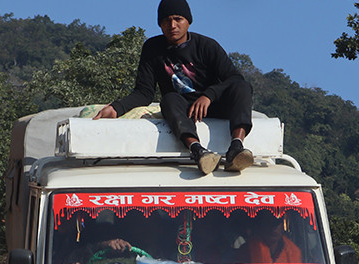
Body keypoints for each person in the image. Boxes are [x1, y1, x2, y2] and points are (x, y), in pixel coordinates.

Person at [92, 0, 255, 175]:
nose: (172, 25)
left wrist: (209, 95)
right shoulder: (152, 48)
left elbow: (234, 78)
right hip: (184, 110)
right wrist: (116, 108)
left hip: (213, 104)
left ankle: (236, 148)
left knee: (243, 87)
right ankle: (198, 151)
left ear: (188, 21)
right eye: (166, 21)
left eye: (178, 19)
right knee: (168, 99)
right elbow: (144, 92)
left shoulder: (207, 46)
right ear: (160, 24)